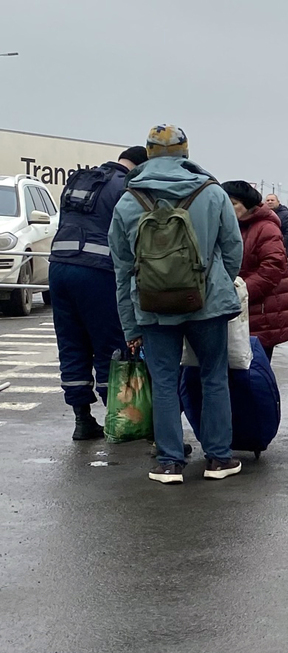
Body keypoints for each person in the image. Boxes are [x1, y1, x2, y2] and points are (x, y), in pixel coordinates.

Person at [109, 124, 244, 484]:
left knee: (164, 381)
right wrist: (214, 282)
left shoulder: (128, 200)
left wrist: (130, 324)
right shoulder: (211, 192)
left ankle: (169, 461)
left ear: (148, 154)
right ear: (186, 152)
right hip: (207, 305)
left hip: (152, 306)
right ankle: (218, 458)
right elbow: (233, 249)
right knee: (214, 377)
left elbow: (122, 269)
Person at [49, 145, 148, 441]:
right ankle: (117, 418)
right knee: (110, 345)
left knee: (71, 343)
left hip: (60, 267)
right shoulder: (125, 187)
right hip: (98, 273)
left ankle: (82, 419)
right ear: (140, 166)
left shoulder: (81, 179)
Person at [224, 182, 288, 361]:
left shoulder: (266, 228)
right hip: (238, 310)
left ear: (248, 204)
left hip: (262, 312)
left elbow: (273, 268)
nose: (228, 209)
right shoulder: (230, 227)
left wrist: (240, 291)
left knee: (254, 373)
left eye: (233, 203)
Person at [263, 193, 288, 257]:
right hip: (264, 252)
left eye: (272, 200)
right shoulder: (262, 215)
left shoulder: (286, 216)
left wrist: (278, 245)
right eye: (268, 200)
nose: (270, 202)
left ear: (278, 202)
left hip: (280, 252)